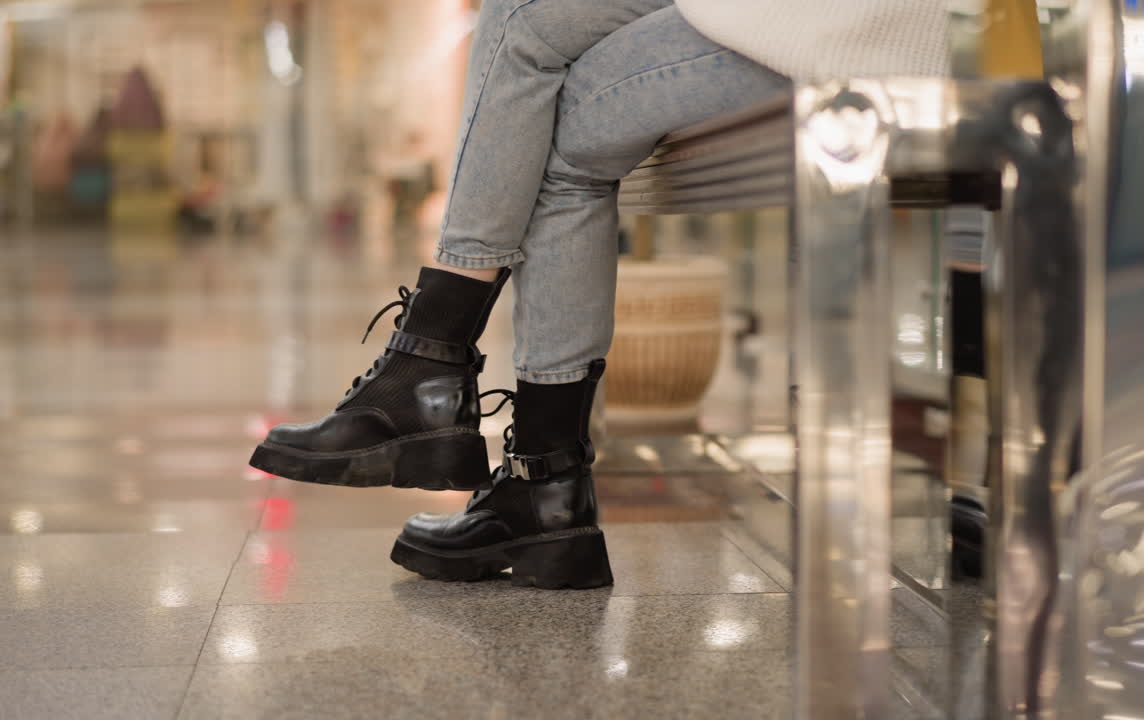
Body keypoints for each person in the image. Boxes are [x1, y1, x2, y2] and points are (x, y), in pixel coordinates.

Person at [250, 0, 949, 589]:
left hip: (854, 27)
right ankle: (524, 461)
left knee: (525, 33)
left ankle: (455, 390)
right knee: (541, 71)